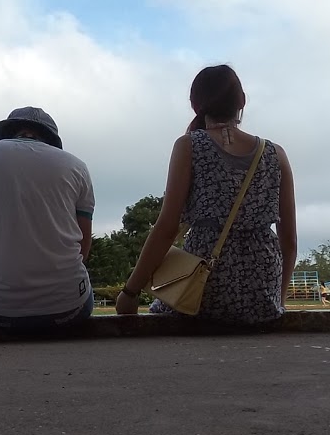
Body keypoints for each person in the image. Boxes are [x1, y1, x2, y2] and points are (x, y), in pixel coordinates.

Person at [115, 65, 297, 324]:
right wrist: (278, 300)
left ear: (195, 105)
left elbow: (167, 228)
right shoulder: (276, 154)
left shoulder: (189, 145)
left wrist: (130, 292)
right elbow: (289, 241)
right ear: (242, 101)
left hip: (203, 285)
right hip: (262, 294)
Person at [0, 107, 96, 331]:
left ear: (8, 132)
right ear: (50, 139)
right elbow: (83, 250)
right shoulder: (77, 167)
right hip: (70, 309)